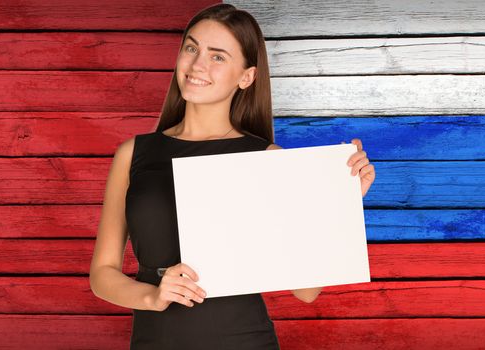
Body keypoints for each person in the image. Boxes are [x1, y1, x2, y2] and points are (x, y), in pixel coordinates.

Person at [88, 4, 376, 349]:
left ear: (246, 77)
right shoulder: (133, 153)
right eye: (192, 48)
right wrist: (153, 296)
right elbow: (102, 274)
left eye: (218, 57)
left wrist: (339, 202)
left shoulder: (268, 159)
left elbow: (306, 291)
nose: (197, 65)